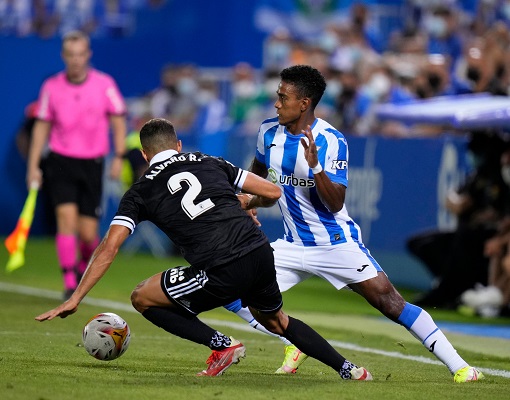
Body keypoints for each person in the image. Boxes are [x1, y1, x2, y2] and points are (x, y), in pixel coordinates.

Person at [35, 118, 372, 380]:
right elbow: (272, 192)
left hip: (220, 266)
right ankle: (350, 369)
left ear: (144, 155)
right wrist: (242, 202)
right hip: (259, 252)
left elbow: (109, 248)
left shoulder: (140, 191)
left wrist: (76, 298)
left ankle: (223, 346)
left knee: (142, 297)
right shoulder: (209, 161)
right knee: (277, 320)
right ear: (178, 145)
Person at [224, 65, 483, 383]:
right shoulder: (267, 132)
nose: (276, 103)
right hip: (292, 245)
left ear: (304, 103)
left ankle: (461, 367)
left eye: (282, 97)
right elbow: (258, 170)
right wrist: (249, 200)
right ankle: (293, 344)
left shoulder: (331, 141)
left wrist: (316, 166)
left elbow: (334, 203)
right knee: (229, 285)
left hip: (335, 243)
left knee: (389, 302)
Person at [26, 30, 127, 300]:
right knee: (65, 219)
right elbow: (41, 127)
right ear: (63, 56)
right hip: (60, 161)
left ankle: (83, 267)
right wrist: (33, 165)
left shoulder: (104, 84)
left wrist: (118, 156)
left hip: (92, 163)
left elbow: (118, 120)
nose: (76, 60)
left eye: (80, 54)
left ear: (88, 55)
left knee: (88, 233)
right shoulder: (52, 87)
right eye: (70, 55)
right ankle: (69, 280)